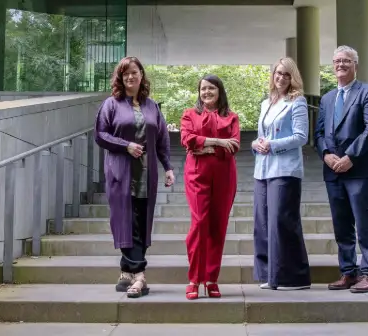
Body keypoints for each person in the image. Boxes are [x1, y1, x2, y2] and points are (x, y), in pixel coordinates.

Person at [94, 56, 176, 298]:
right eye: (125, 73)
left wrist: (168, 167)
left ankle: (125, 272)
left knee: (139, 223)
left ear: (142, 75)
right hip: (121, 173)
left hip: (146, 174)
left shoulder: (152, 107)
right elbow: (100, 134)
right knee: (127, 223)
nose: (130, 77)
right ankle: (139, 276)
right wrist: (125, 145)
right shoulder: (111, 104)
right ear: (121, 78)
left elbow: (162, 140)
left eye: (134, 72)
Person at [314, 45, 368, 293]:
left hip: (359, 168)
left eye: (345, 61)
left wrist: (351, 156)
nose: (340, 65)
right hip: (333, 170)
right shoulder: (327, 98)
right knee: (341, 223)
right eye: (336, 61)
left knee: (364, 222)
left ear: (355, 65)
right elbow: (319, 133)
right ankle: (348, 272)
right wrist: (326, 155)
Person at [251, 57, 311, 290]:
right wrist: (256, 143)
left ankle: (294, 277)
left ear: (293, 77)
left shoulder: (298, 102)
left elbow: (301, 137)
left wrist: (273, 145)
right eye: (278, 73)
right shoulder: (266, 103)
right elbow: (260, 135)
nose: (281, 78)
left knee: (282, 222)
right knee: (263, 223)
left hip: (285, 170)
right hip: (263, 169)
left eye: (286, 74)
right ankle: (270, 275)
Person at [180, 75, 241, 300]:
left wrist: (202, 144)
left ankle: (211, 279)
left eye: (211, 88)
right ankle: (194, 279)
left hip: (225, 176)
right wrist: (217, 142)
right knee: (199, 223)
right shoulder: (190, 114)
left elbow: (234, 145)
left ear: (219, 91)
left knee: (218, 225)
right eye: (203, 89)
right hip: (197, 175)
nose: (206, 92)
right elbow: (187, 139)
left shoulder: (231, 117)